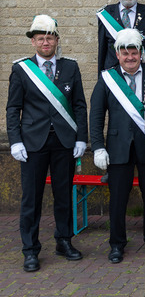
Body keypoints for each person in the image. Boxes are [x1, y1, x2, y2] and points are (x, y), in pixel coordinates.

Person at [7, 15, 88, 272]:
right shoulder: (22, 70)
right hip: (33, 143)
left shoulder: (70, 68)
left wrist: (81, 138)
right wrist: (15, 141)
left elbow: (79, 106)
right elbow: (13, 108)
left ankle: (64, 241)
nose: (45, 42)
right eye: (40, 38)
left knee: (63, 196)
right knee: (31, 199)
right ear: (33, 42)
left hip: (64, 141)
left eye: (50, 38)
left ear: (57, 40)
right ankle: (30, 250)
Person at [90, 28, 145, 264]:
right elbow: (96, 116)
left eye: (134, 52)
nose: (130, 57)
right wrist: (98, 147)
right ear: (117, 54)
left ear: (141, 53)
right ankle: (117, 244)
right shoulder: (107, 79)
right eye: (125, 53)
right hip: (117, 148)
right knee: (117, 199)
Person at [96, 0, 145, 184]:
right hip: (116, 80)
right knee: (118, 123)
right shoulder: (107, 14)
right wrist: (102, 80)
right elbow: (102, 51)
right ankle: (114, 166)